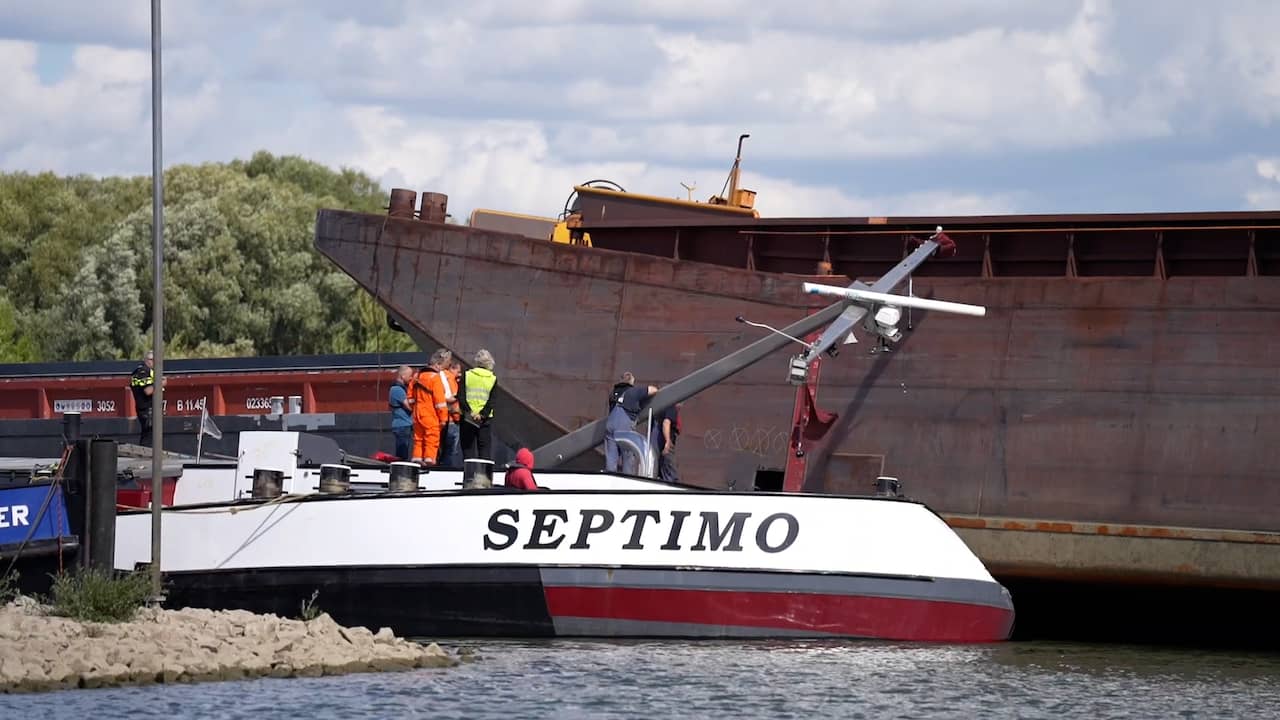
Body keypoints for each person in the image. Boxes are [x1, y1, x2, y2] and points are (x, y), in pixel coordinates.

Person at [604, 377, 658, 474]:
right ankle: (627, 483)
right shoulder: (633, 391)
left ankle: (609, 481)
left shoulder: (613, 394)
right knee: (628, 456)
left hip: (610, 425)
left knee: (611, 459)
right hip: (623, 426)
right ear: (631, 382)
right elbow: (653, 390)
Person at [411, 349, 452, 466]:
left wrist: (414, 407)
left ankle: (416, 460)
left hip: (417, 414)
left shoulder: (417, 376)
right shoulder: (435, 378)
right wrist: (443, 419)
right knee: (432, 439)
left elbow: (410, 396)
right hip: (430, 414)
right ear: (437, 364)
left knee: (418, 439)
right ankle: (429, 462)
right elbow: (440, 402)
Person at [459, 349, 497, 461]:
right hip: (484, 420)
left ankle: (469, 475)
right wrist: (482, 414)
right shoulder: (492, 378)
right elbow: (492, 400)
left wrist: (470, 412)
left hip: (467, 417)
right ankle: (483, 475)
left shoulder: (467, 375)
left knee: (468, 448)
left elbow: (461, 396)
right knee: (484, 449)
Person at [436, 359, 463, 468]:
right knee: (450, 451)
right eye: (458, 371)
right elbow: (452, 399)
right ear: (452, 368)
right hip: (452, 419)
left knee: (441, 450)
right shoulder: (450, 379)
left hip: (443, 419)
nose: (459, 374)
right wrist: (458, 416)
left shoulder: (440, 377)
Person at [649, 402, 681, 484]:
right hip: (664, 443)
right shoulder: (671, 407)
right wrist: (667, 442)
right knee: (670, 471)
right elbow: (666, 423)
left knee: (661, 470)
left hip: (657, 445)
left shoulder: (661, 408)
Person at [129, 350, 157, 446]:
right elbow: (148, 390)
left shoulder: (137, 372)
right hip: (146, 408)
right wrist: (160, 383)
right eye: (153, 360)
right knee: (149, 435)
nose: (155, 362)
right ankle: (146, 456)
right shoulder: (144, 371)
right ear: (147, 360)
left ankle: (145, 455)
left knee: (146, 434)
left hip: (142, 407)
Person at [388, 365, 415, 460]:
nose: (411, 378)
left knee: (405, 451)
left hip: (405, 424)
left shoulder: (402, 389)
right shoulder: (397, 389)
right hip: (402, 425)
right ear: (403, 376)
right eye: (410, 375)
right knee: (402, 453)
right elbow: (409, 406)